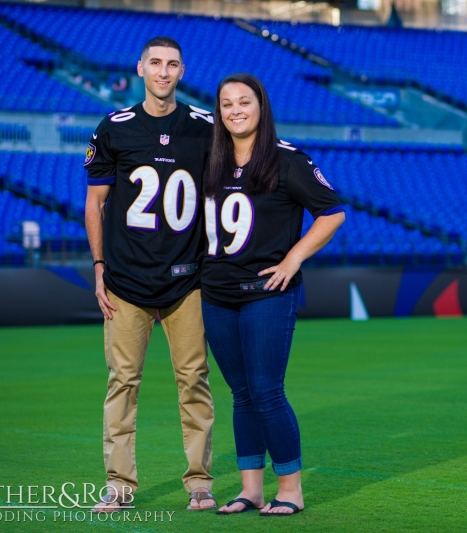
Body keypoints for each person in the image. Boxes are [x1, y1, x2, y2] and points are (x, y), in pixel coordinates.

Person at [200, 73, 345, 516]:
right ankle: (251, 490)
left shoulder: (287, 160)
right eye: (226, 104)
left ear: (261, 107)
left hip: (267, 293)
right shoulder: (209, 161)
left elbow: (332, 212)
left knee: (266, 392)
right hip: (217, 294)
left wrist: (293, 259)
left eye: (245, 101)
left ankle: (291, 491)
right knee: (241, 394)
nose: (235, 110)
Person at [84, 36, 217, 512]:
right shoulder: (114, 128)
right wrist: (99, 267)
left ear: (182, 71)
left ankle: (199, 481)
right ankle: (119, 486)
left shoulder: (205, 127)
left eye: (172, 64)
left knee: (194, 380)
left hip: (186, 281)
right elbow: (96, 203)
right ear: (140, 67)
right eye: (155, 63)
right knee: (122, 382)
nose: (163, 72)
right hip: (126, 282)